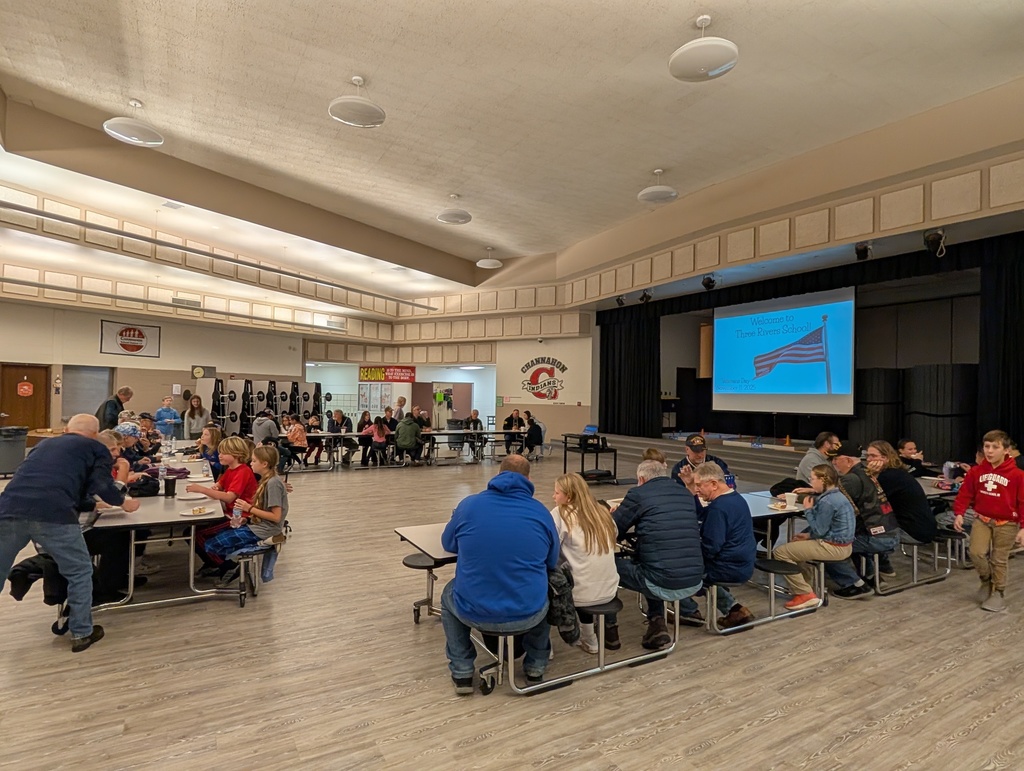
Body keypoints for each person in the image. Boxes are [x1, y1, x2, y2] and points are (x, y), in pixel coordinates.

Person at [0, 414, 141, 652]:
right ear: (95, 434)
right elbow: (104, 490)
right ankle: (81, 633)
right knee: (79, 571)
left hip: (9, 508)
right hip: (54, 515)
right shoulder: (96, 448)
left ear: (67, 429)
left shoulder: (44, 444)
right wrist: (121, 497)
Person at [441, 455, 559, 693]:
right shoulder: (541, 512)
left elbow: (448, 543)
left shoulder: (469, 505)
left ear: (498, 475)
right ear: (528, 479)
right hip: (528, 611)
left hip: (475, 610)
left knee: (447, 596)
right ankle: (535, 667)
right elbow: (551, 560)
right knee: (546, 591)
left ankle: (462, 672)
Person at [606, 460, 703, 650]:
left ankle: (610, 630)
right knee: (651, 561)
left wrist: (614, 515)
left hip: (661, 580)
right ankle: (657, 621)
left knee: (607, 565)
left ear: (641, 479)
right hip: (695, 577)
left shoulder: (638, 494)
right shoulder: (685, 493)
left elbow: (612, 530)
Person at [953, 430, 1024, 612]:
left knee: (999, 559)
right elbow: (965, 494)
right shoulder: (976, 472)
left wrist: (1023, 527)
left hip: (1007, 523)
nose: (990, 451)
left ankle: (998, 591)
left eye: (995, 447)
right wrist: (959, 513)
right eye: (987, 446)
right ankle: (986, 580)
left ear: (1006, 450)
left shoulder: (1017, 475)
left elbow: (1022, 502)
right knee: (976, 552)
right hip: (982, 519)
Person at [550, 473, 620, 653]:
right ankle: (590, 638)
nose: (553, 496)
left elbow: (549, 547)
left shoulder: (560, 514)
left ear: (569, 496)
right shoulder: (602, 512)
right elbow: (615, 535)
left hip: (580, 595)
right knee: (585, 572)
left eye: (557, 493)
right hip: (609, 590)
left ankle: (544, 648)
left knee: (548, 578)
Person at [682, 462, 757, 629]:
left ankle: (687, 611)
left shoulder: (719, 508)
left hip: (728, 567)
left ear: (714, 484)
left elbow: (710, 547)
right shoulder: (736, 499)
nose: (697, 489)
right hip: (743, 563)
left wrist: (686, 555)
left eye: (699, 485)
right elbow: (703, 514)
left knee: (677, 570)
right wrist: (690, 487)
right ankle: (735, 610)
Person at [772, 464, 857, 610]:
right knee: (795, 546)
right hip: (843, 544)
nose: (810, 483)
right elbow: (828, 527)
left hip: (833, 547)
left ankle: (805, 593)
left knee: (780, 552)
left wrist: (808, 510)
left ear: (822, 480)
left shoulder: (827, 502)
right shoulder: (837, 495)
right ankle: (806, 586)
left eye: (812, 479)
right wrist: (807, 535)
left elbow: (819, 530)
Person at [204, 445, 289, 587]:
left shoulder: (273, 483)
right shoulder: (267, 480)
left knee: (210, 545)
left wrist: (248, 508)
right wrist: (247, 518)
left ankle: (236, 563)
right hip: (257, 525)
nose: (251, 463)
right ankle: (233, 564)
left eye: (254, 461)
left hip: (265, 529)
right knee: (217, 538)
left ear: (264, 464)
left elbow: (276, 517)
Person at [826, 442, 900, 599]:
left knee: (827, 545)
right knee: (851, 537)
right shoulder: (866, 473)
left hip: (876, 537)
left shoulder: (850, 479)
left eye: (836, 459)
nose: (833, 463)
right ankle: (872, 577)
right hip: (890, 531)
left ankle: (855, 585)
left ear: (848, 461)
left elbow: (828, 502)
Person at [185, 436, 258, 577]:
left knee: (194, 533)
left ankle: (225, 565)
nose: (220, 455)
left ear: (236, 454)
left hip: (239, 517)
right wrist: (216, 486)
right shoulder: (231, 469)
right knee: (193, 531)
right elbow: (220, 485)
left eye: (224, 453)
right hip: (231, 512)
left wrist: (202, 489)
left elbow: (230, 496)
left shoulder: (242, 471)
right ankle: (214, 561)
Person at [865, 440, 938, 576]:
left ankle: (868, 575)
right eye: (868, 456)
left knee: (861, 534)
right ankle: (882, 566)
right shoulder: (895, 472)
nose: (868, 459)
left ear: (885, 458)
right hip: (921, 525)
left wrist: (870, 475)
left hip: (914, 530)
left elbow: (869, 499)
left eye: (873, 456)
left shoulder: (890, 476)